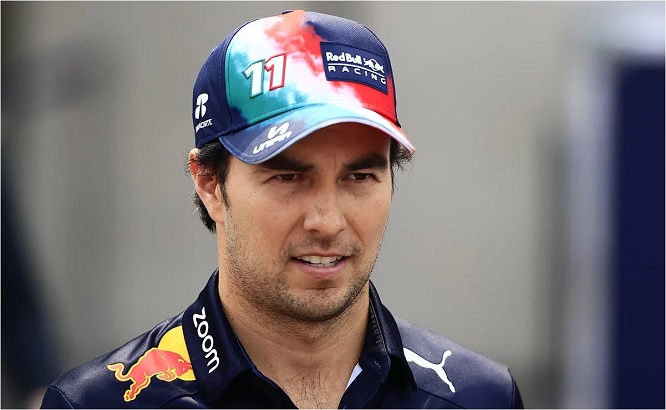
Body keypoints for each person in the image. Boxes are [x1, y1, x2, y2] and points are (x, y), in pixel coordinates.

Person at [41, 10, 524, 409]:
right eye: (288, 178)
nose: (327, 221)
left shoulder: (479, 397)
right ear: (209, 183)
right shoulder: (99, 403)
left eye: (359, 176)